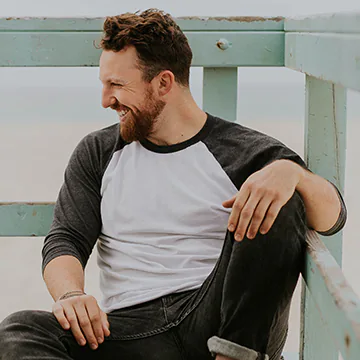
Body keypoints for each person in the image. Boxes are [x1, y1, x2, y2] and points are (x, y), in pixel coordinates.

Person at [0, 8, 346, 360]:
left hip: (221, 324)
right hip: (129, 331)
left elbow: (332, 217)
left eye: (116, 86)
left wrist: (293, 174)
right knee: (19, 330)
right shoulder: (98, 152)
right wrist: (71, 296)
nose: (105, 101)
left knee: (283, 197)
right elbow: (66, 239)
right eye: (104, 85)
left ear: (163, 83)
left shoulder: (244, 151)